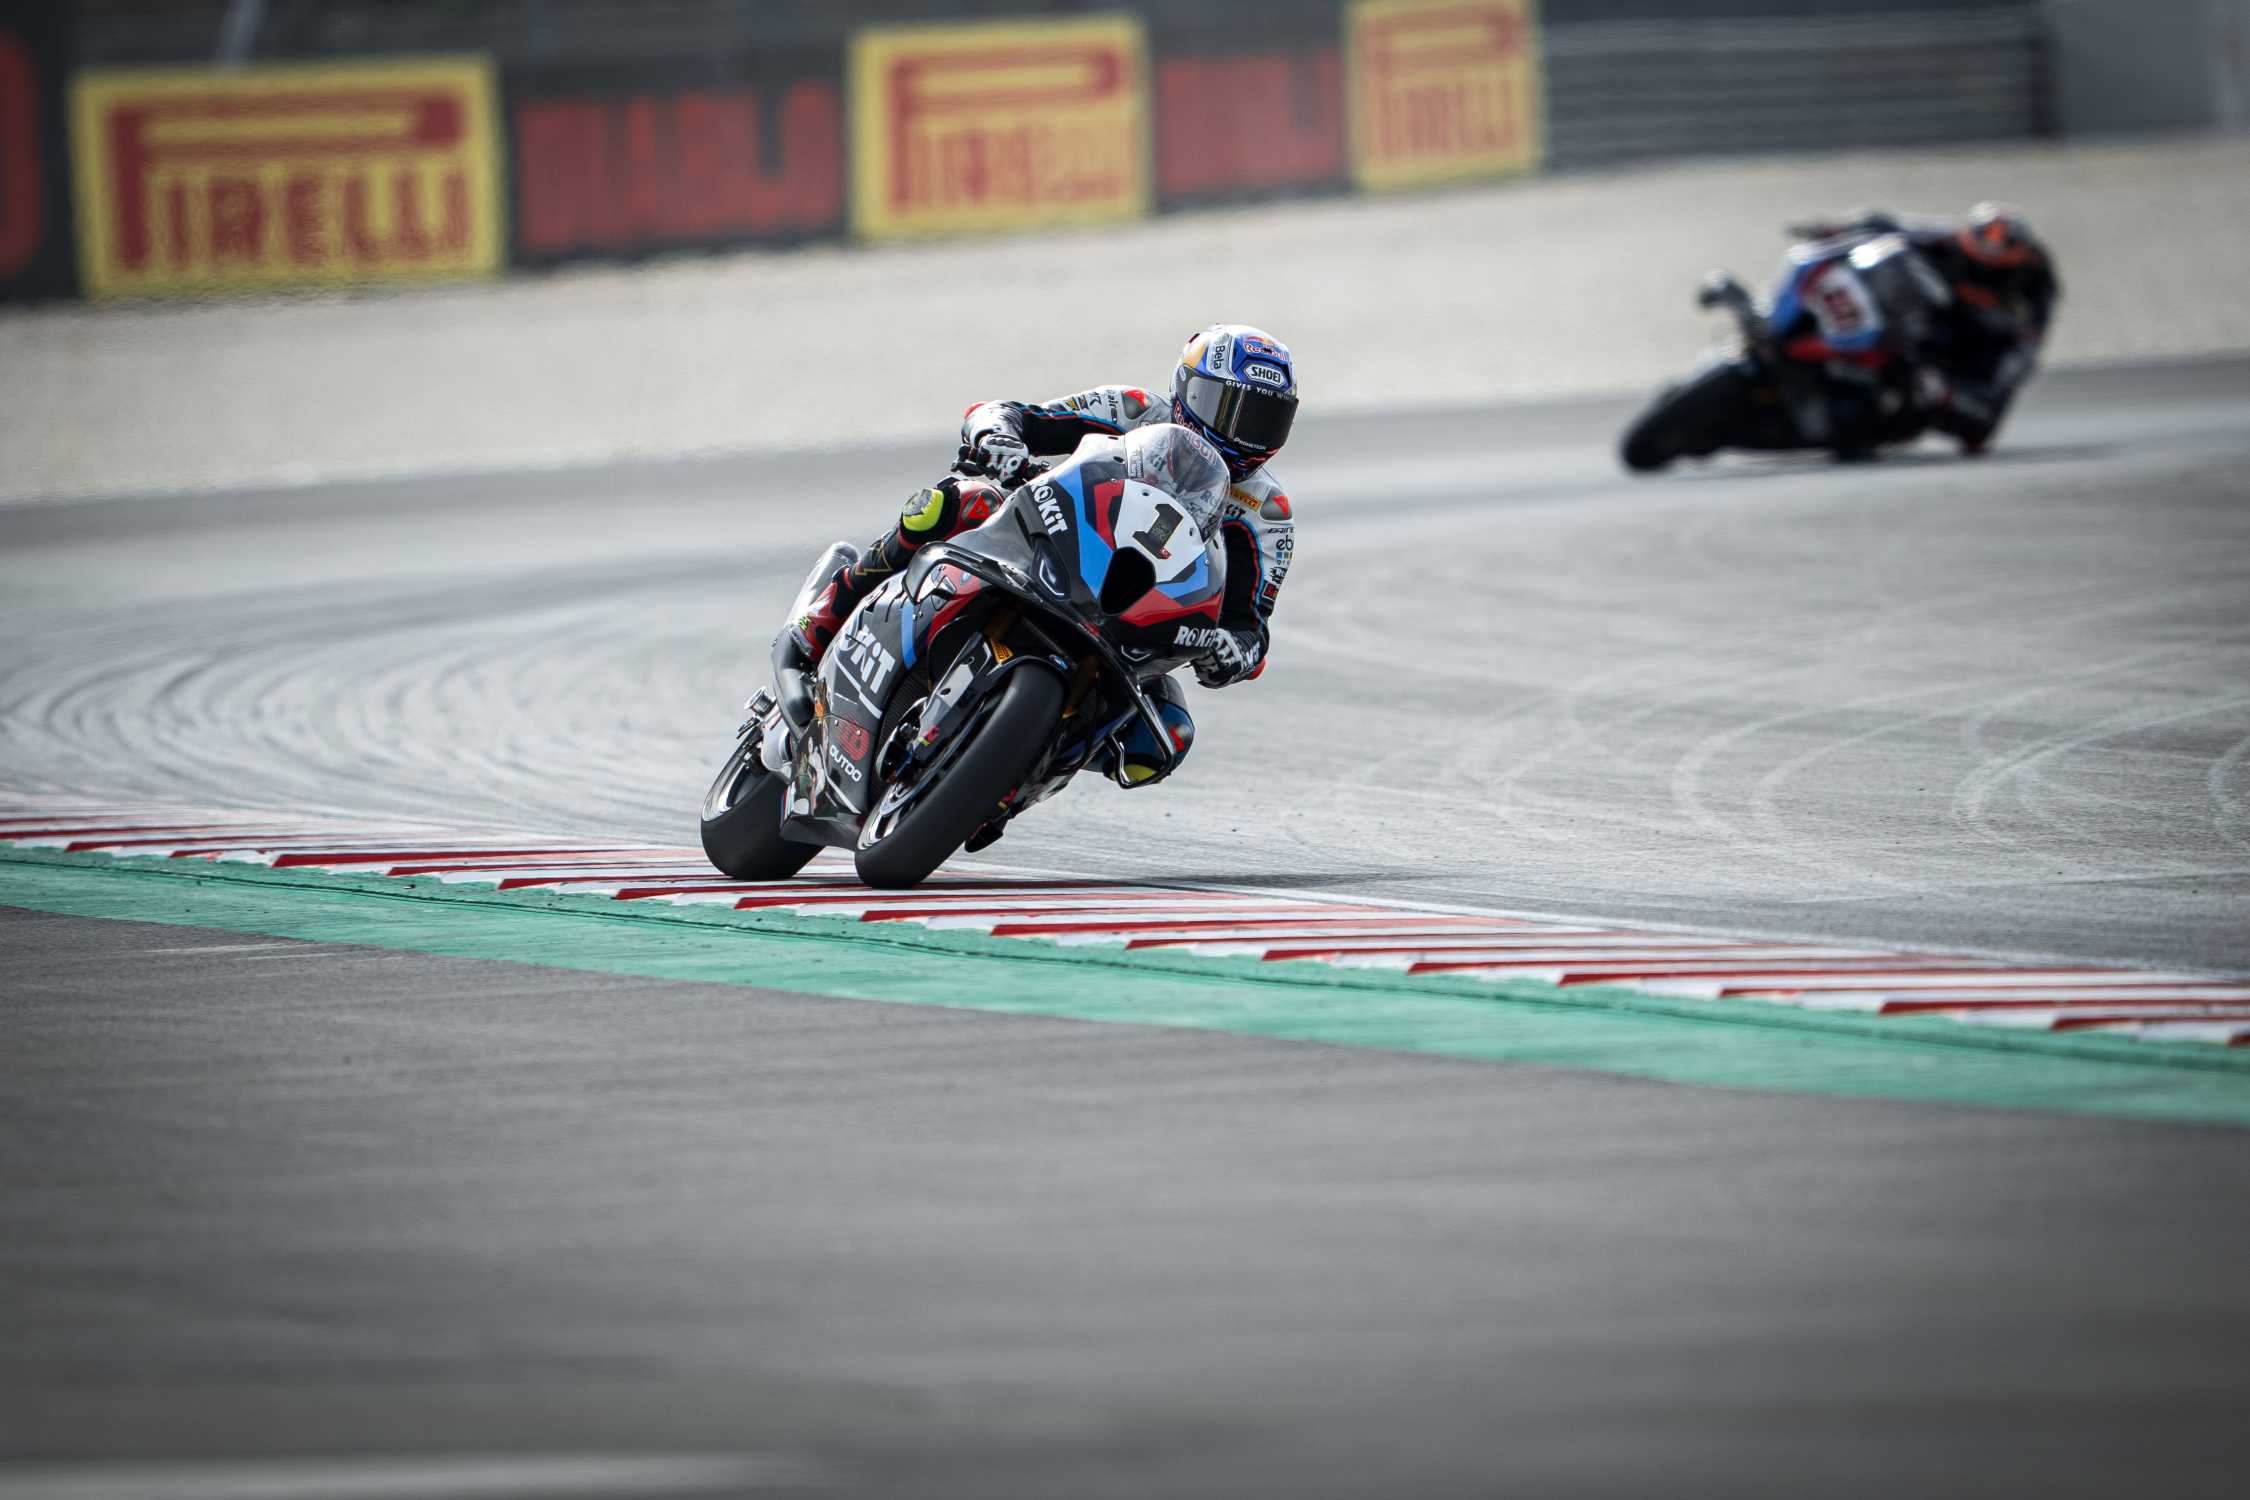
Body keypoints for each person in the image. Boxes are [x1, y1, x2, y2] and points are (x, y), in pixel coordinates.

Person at [783, 323, 1300, 788]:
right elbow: (1013, 414)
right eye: (1229, 408)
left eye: (1263, 419)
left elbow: (1250, 626)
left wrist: (1234, 652)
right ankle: (826, 613)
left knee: (1164, 739)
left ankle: (1012, 780)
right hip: (1050, 543)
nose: (1243, 431)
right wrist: (998, 439)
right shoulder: (1135, 411)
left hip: (1135, 618)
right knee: (954, 503)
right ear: (1189, 390)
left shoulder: (1266, 512)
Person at [1779, 203, 2059, 452]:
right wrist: (1837, 230)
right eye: (1975, 264)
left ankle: (1869, 420)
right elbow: (1883, 223)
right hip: (1916, 326)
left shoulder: (2034, 291)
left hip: (1962, 358)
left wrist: (1949, 394)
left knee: (1974, 419)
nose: (1981, 276)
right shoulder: (1947, 240)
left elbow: (2019, 364)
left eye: (1994, 272)